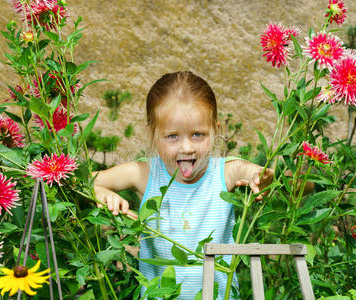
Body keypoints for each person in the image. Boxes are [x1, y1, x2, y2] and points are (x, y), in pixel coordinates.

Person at [93, 71, 273, 299]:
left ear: (215, 131)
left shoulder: (223, 173)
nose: (186, 147)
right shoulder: (146, 174)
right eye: (172, 137)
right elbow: (89, 180)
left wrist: (260, 178)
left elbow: (249, 171)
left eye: (198, 134)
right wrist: (102, 192)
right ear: (153, 134)